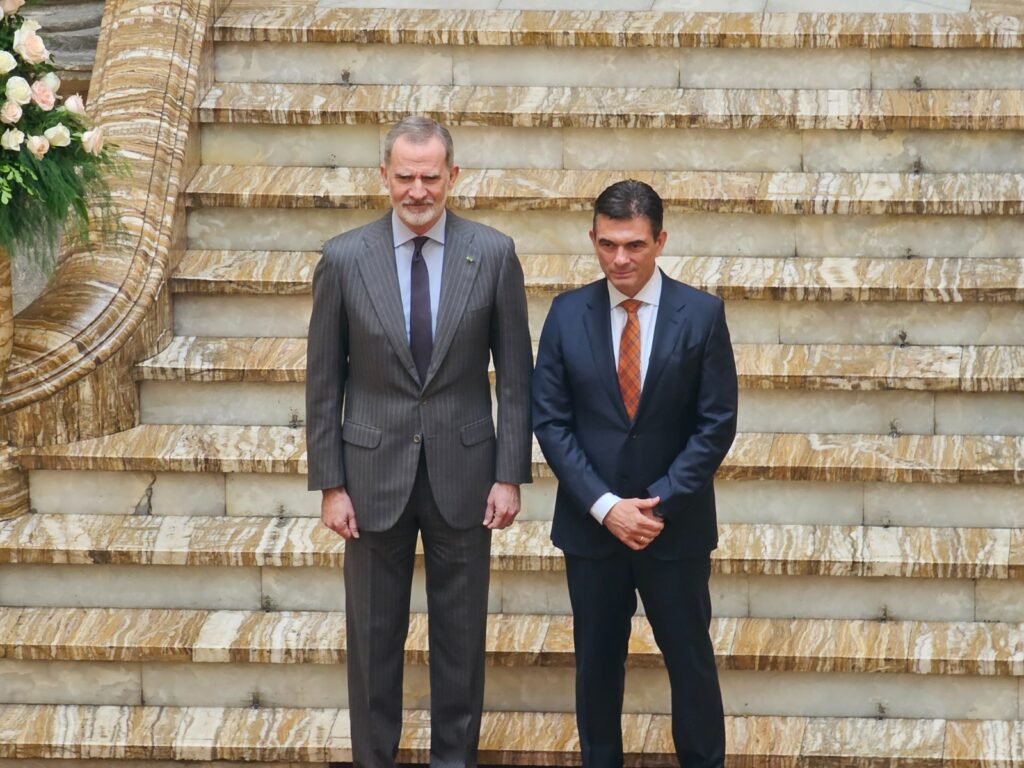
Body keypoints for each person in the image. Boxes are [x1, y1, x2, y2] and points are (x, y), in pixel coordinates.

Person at [305, 115, 533, 768]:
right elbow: (323, 381)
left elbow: (517, 376)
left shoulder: (493, 254)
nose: (417, 190)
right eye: (405, 176)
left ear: (452, 176)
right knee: (372, 642)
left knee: (460, 643)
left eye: (430, 176)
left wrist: (509, 473)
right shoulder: (344, 259)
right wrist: (331, 484)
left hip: (467, 474)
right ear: (384, 176)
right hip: (370, 478)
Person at [532, 180, 738, 768]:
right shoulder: (566, 313)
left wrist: (657, 504)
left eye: (634, 245)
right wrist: (606, 506)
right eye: (607, 244)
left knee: (691, 665)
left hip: (674, 530)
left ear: (660, 241)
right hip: (592, 529)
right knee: (596, 669)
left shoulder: (702, 314)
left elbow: (716, 423)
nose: (619, 258)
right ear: (593, 239)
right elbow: (551, 422)